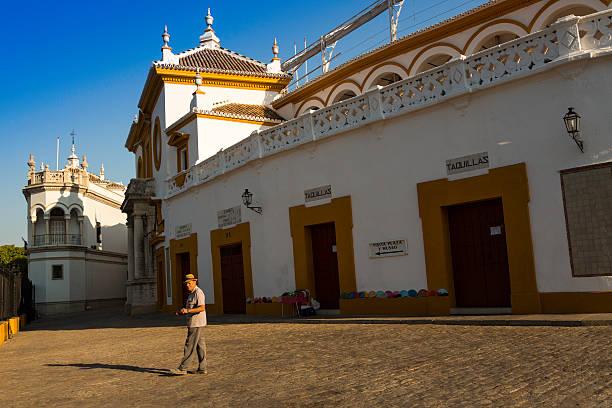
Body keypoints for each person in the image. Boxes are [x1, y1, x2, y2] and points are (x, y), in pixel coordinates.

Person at [170, 274, 207, 375]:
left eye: (189, 283)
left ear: (195, 282)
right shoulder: (191, 293)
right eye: (186, 284)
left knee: (189, 345)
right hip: (195, 322)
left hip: (196, 323)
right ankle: (202, 368)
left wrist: (188, 310)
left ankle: (183, 368)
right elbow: (190, 309)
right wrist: (182, 312)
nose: (187, 285)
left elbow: (202, 308)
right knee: (200, 346)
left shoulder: (198, 293)